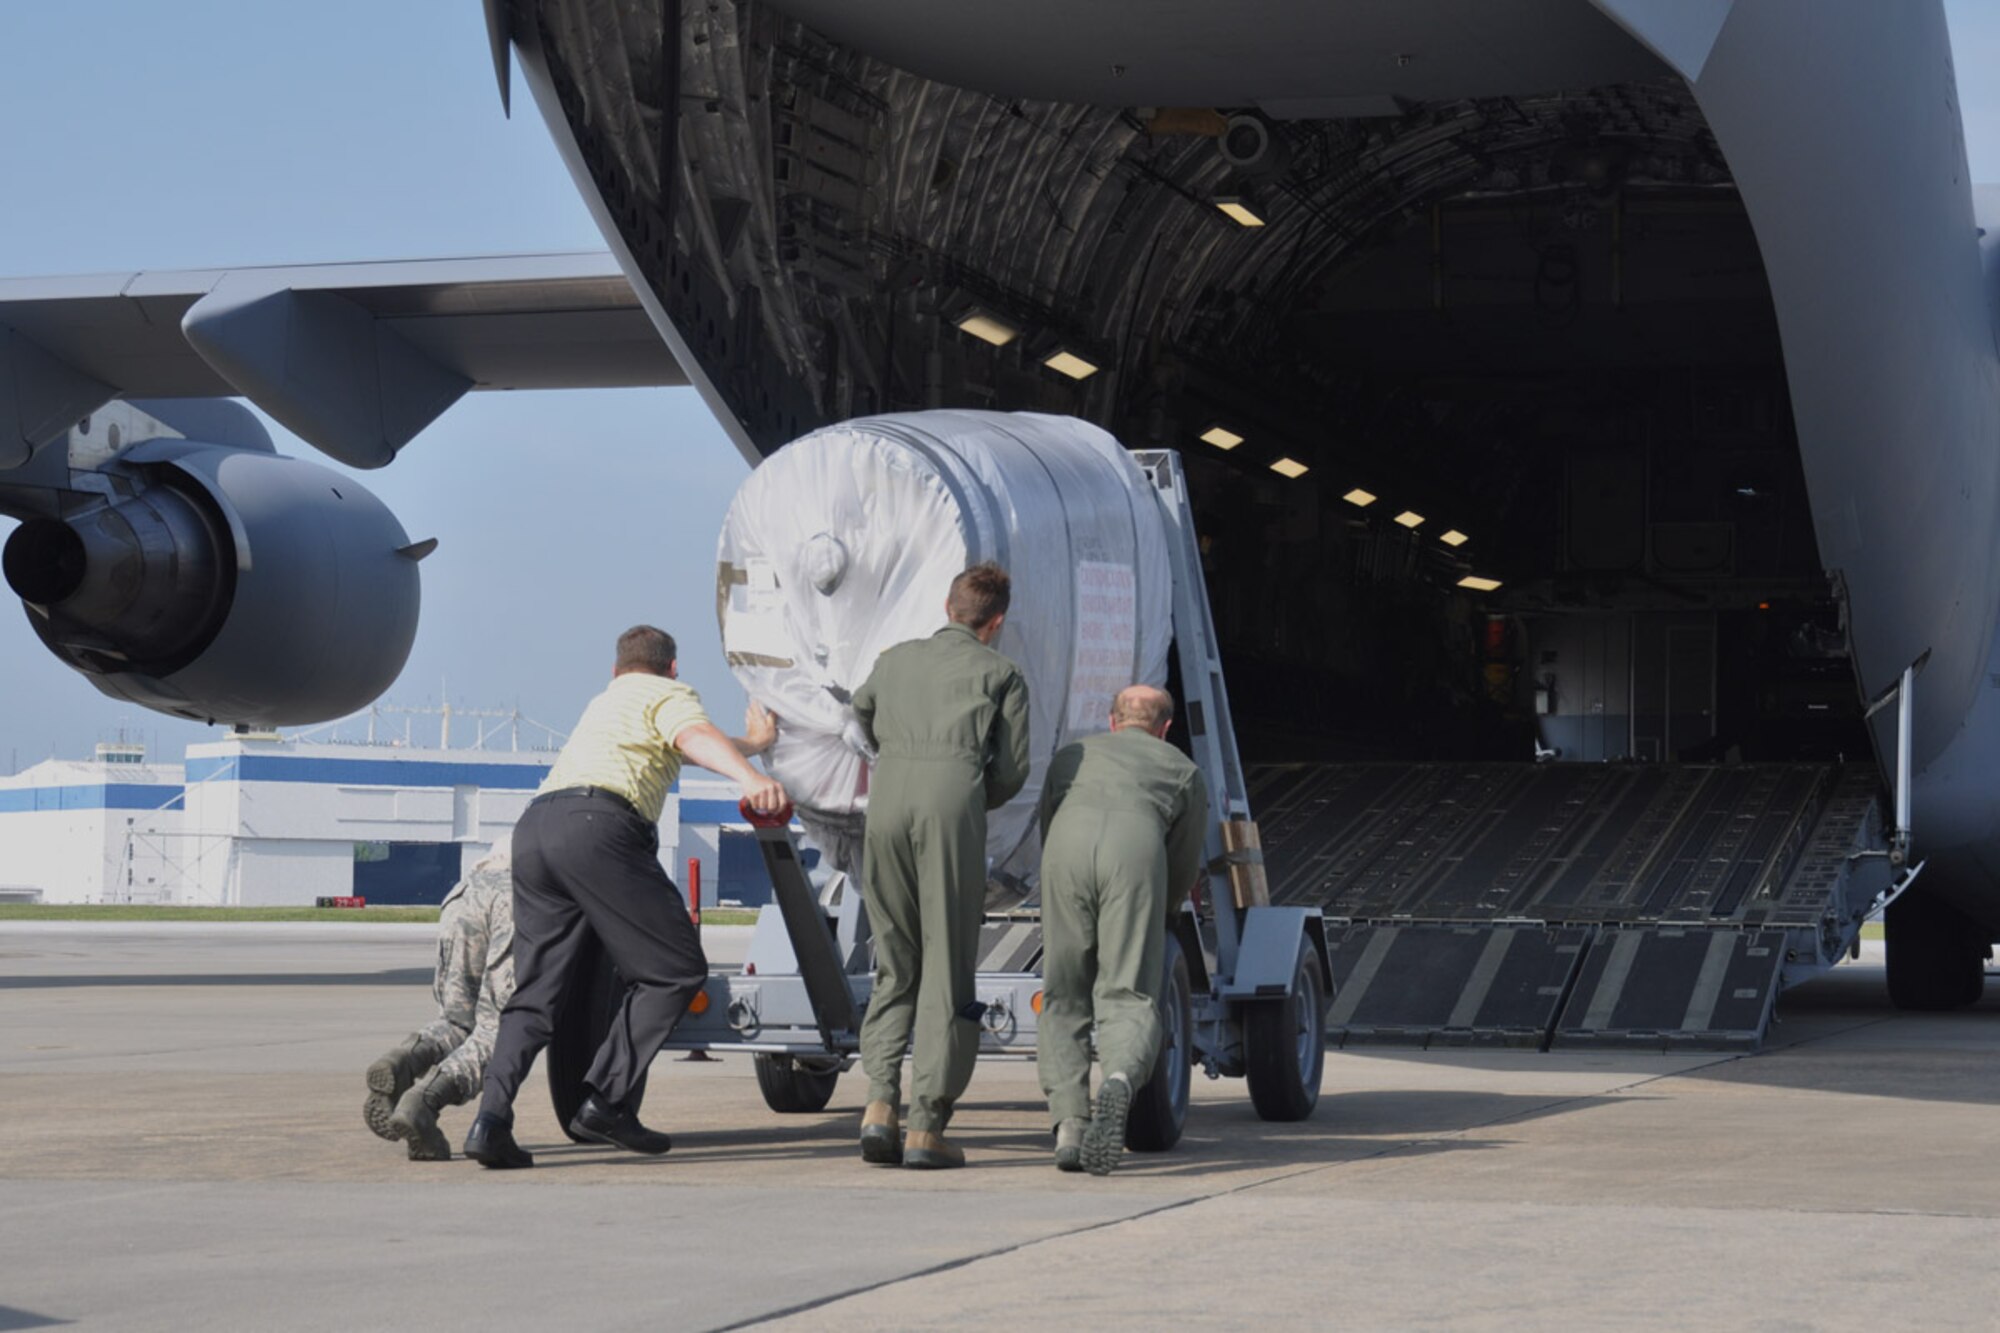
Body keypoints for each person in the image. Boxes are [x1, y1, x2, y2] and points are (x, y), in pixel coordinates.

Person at [463, 627, 786, 1169]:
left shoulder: (607, 703)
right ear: (674, 669)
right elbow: (692, 737)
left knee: (536, 992)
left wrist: (753, 742)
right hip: (598, 827)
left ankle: (490, 1121)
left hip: (536, 830)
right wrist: (750, 777)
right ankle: (605, 1101)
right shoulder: (667, 696)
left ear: (616, 671)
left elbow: (682, 742)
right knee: (674, 970)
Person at [851, 562, 1031, 1169]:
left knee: (895, 962)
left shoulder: (895, 658)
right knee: (947, 970)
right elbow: (1011, 770)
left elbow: (864, 715)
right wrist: (969, 794)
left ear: (948, 606)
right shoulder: (1000, 673)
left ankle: (879, 1104)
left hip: (888, 800)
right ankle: (926, 1125)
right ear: (996, 621)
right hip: (951, 803)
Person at [1036, 684, 1208, 1176]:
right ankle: (1118, 1078)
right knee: (1127, 992)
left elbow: (1048, 822)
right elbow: (1183, 859)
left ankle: (1069, 1124)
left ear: (1112, 721)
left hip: (1066, 851)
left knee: (1064, 992)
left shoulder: (1073, 754)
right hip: (1134, 851)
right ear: (1165, 728)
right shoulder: (1181, 769)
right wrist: (1163, 909)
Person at [361, 838, 517, 1160]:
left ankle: (404, 1059)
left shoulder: (547, 803)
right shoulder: (605, 813)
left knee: (456, 1020)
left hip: (465, 892)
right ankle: (424, 1101)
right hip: (514, 897)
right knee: (500, 1030)